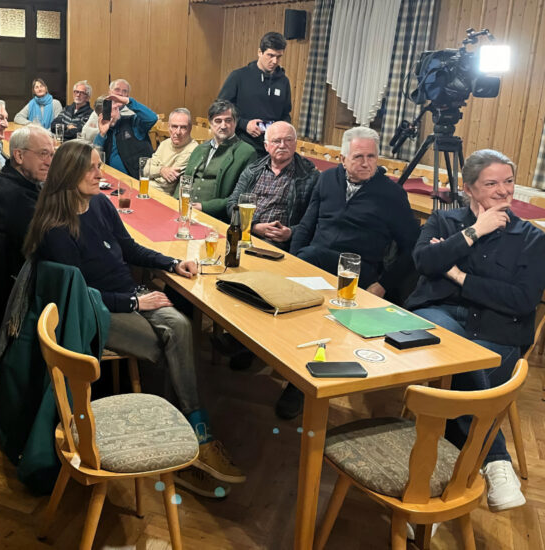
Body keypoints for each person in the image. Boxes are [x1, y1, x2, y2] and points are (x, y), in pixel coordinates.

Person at [23, 140, 246, 497]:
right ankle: (186, 452)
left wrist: (171, 263)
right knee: (172, 344)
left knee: (180, 327)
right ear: (68, 173)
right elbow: (80, 296)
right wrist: (133, 303)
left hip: (129, 297)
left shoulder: (99, 204)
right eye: (91, 168)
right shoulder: (56, 229)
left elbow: (129, 248)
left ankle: (196, 432)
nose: (99, 173)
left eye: (99, 165)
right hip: (96, 312)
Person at [405, 149, 545, 513]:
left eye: (509, 181)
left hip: (499, 331)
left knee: (457, 380)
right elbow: (423, 261)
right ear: (468, 188)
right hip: (441, 316)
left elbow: (522, 300)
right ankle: (496, 461)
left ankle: (433, 498)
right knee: (458, 354)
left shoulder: (530, 238)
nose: (504, 191)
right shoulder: (444, 221)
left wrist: (458, 275)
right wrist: (473, 232)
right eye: (491, 183)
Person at [280, 127, 419, 419]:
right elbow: (307, 225)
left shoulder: (392, 194)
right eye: (358, 157)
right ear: (342, 158)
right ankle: (257, 349)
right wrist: (292, 262)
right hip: (314, 262)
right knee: (287, 301)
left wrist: (383, 284)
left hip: (358, 273)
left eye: (371, 157)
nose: (366, 163)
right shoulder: (327, 179)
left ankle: (300, 384)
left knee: (321, 318)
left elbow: (411, 249)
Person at [0, 125, 55, 370]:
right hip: (14, 287)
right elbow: (50, 243)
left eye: (52, 154)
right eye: (43, 154)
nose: (49, 161)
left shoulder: (18, 182)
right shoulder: (13, 195)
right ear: (18, 155)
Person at [227, 121, 319, 250]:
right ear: (266, 146)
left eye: (288, 140)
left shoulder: (309, 176)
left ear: (295, 144)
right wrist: (253, 226)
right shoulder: (253, 170)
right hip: (245, 232)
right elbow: (232, 203)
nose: (282, 145)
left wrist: (291, 232)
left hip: (277, 242)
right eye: (276, 141)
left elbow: (316, 219)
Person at [176, 100, 257, 221]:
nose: (223, 126)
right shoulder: (199, 149)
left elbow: (242, 197)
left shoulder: (247, 152)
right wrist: (175, 202)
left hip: (215, 217)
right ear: (210, 123)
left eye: (228, 120)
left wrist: (204, 207)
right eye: (218, 121)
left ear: (235, 122)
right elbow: (184, 181)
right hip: (185, 210)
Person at [218, 31, 292, 155]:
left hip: (271, 149)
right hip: (240, 145)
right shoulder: (238, 76)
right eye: (270, 55)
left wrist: (281, 129)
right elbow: (220, 109)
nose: (274, 61)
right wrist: (244, 124)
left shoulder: (284, 82)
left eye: (279, 57)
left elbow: (286, 114)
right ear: (259, 52)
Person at [93, 91, 157, 177]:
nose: (110, 116)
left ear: (117, 108)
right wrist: (102, 134)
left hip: (136, 178)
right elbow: (95, 155)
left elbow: (152, 118)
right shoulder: (104, 133)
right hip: (112, 178)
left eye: (111, 110)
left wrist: (128, 101)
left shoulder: (132, 123)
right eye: (106, 113)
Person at [145, 108, 198, 195]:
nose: (178, 132)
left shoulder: (192, 149)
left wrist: (155, 170)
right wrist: (161, 170)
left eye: (183, 127)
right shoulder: (165, 143)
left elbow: (166, 183)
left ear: (190, 128)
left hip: (163, 196)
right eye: (174, 126)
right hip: (146, 188)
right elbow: (145, 170)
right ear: (168, 127)